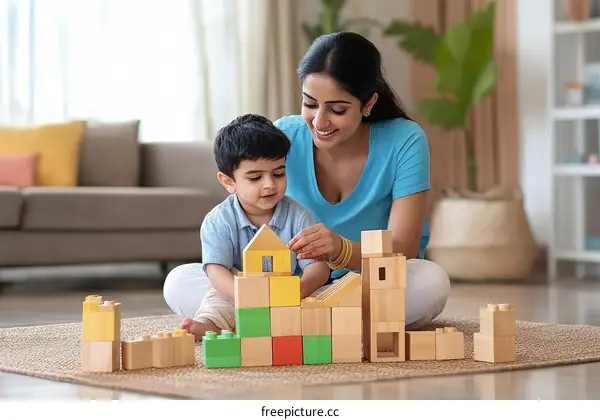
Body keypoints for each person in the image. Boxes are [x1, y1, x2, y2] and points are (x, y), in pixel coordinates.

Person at [163, 31, 450, 333]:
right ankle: (314, 321)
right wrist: (256, 286)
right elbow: (246, 207)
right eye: (310, 104)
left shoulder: (404, 140)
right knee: (180, 280)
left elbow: (403, 245)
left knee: (430, 282)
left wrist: (339, 249)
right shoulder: (284, 136)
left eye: (337, 109)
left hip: (366, 280)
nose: (319, 121)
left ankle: (276, 321)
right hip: (290, 285)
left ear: (368, 104)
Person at [175, 114, 332, 340]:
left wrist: (302, 288)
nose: (270, 184)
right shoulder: (218, 220)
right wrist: (244, 294)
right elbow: (216, 270)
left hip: (287, 290)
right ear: (229, 182)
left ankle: (280, 324)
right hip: (240, 292)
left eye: (278, 173)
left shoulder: (299, 215)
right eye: (255, 177)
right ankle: (210, 326)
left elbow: (317, 266)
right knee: (209, 296)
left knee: (326, 299)